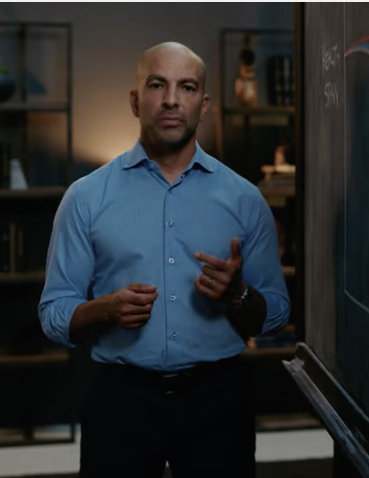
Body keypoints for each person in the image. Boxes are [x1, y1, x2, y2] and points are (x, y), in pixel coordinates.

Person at [38, 41, 290, 478]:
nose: (172, 99)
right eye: (158, 85)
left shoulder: (246, 200)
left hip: (218, 402)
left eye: (187, 87)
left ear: (203, 104)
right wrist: (106, 309)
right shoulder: (85, 198)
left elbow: (274, 316)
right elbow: (54, 312)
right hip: (120, 402)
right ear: (136, 101)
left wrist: (238, 294)